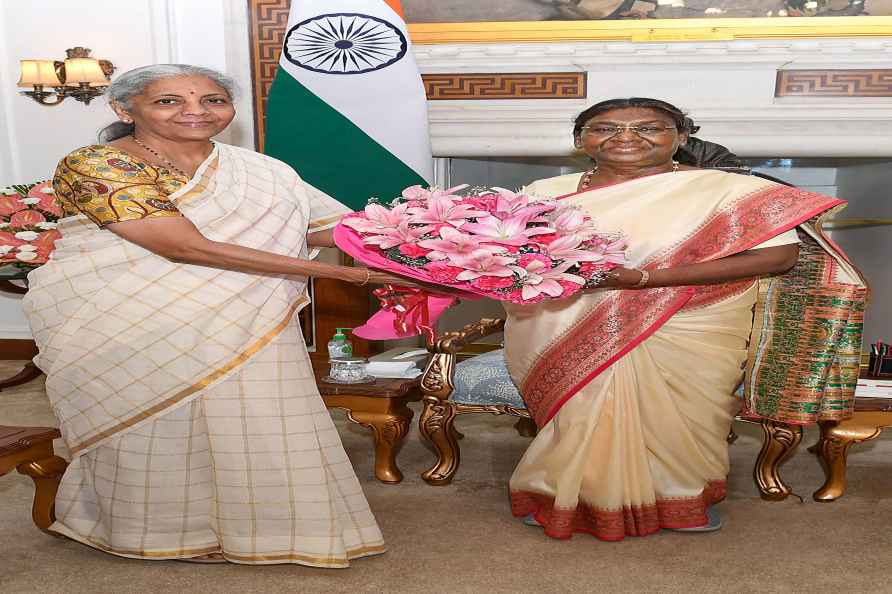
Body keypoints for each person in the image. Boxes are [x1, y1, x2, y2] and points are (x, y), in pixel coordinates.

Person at [23, 64, 414, 566]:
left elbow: (330, 229)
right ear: (125, 109)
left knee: (256, 418)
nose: (195, 111)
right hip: (132, 317)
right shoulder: (96, 164)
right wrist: (351, 277)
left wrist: (432, 242)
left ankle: (268, 530)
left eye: (212, 100)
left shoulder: (261, 170)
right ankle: (155, 530)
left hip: (247, 313)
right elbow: (185, 246)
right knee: (154, 424)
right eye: (169, 101)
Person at [505, 97, 866, 540]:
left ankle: (680, 497)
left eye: (647, 128)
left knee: (679, 417)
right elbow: (510, 259)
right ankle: (561, 493)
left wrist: (644, 279)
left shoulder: (725, 189)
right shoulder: (543, 193)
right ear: (581, 140)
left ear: (681, 138)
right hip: (565, 320)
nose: (626, 138)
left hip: (691, 320)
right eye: (605, 128)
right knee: (579, 411)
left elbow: (780, 255)